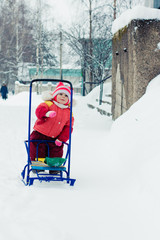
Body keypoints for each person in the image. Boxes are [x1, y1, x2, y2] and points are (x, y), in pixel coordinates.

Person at [30, 82, 74, 165]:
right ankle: (38, 165)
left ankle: (54, 167)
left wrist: (61, 139)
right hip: (39, 134)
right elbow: (39, 111)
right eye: (60, 94)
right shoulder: (48, 103)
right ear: (55, 95)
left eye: (66, 96)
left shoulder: (69, 112)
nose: (63, 97)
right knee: (38, 149)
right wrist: (47, 114)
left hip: (55, 138)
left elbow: (68, 127)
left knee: (56, 151)